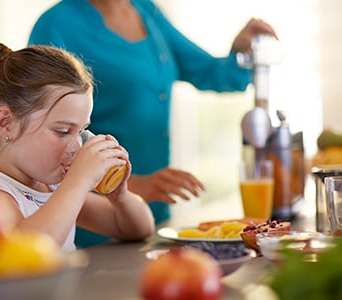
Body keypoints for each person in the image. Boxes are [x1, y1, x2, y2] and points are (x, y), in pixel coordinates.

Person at [28, 0, 278, 247]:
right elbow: (42, 134)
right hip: (94, 221)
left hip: (151, 214)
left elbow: (210, 73)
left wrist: (241, 49)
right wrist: (129, 184)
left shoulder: (147, 11)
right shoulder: (56, 25)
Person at [0, 42, 155, 252]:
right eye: (63, 131)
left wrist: (119, 197)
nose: (77, 146)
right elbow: (29, 252)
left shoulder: (51, 187)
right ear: (6, 123)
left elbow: (137, 229)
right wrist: (79, 180)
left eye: (81, 131)